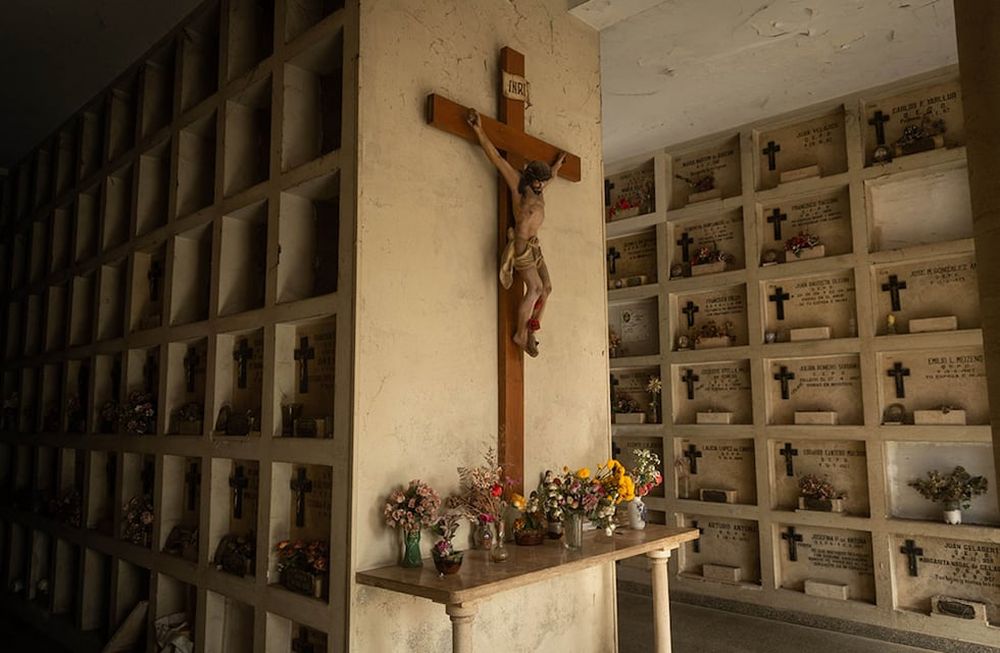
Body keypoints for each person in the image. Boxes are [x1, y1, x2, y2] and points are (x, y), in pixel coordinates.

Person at [467, 108, 565, 357]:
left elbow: (552, 176)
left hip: (535, 244)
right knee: (533, 288)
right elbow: (497, 160)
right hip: (521, 244)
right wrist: (479, 129)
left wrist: (557, 165)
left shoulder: (541, 188)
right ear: (530, 177)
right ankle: (521, 334)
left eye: (543, 182)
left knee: (547, 288)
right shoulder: (519, 187)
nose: (541, 185)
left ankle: (533, 327)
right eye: (538, 181)